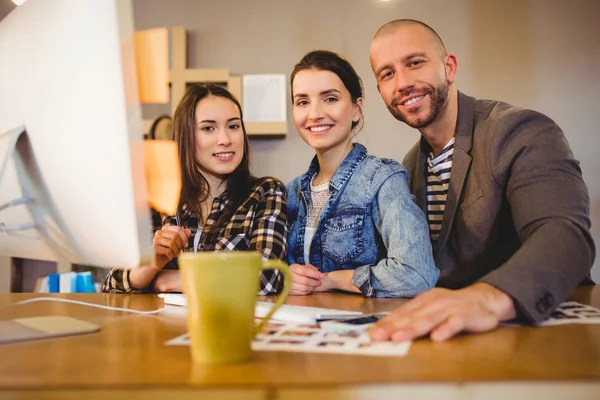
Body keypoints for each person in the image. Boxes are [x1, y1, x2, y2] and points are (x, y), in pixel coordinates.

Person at [368, 19, 595, 341]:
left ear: (449, 68)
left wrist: (490, 296)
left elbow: (564, 233)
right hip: (455, 340)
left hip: (544, 332)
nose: (402, 82)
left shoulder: (521, 130)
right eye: (387, 74)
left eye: (415, 63)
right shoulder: (409, 165)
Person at [103, 84, 288, 294]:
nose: (225, 139)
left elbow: (267, 278)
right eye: (208, 128)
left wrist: (171, 280)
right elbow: (112, 286)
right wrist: (153, 264)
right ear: (186, 137)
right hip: (165, 327)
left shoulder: (265, 192)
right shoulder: (162, 201)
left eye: (233, 126)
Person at [286, 50, 439, 298]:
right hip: (303, 331)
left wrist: (335, 279)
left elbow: (417, 275)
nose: (314, 114)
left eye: (330, 99)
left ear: (356, 109)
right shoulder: (290, 192)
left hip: (365, 330)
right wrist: (285, 277)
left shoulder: (382, 178)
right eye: (302, 102)